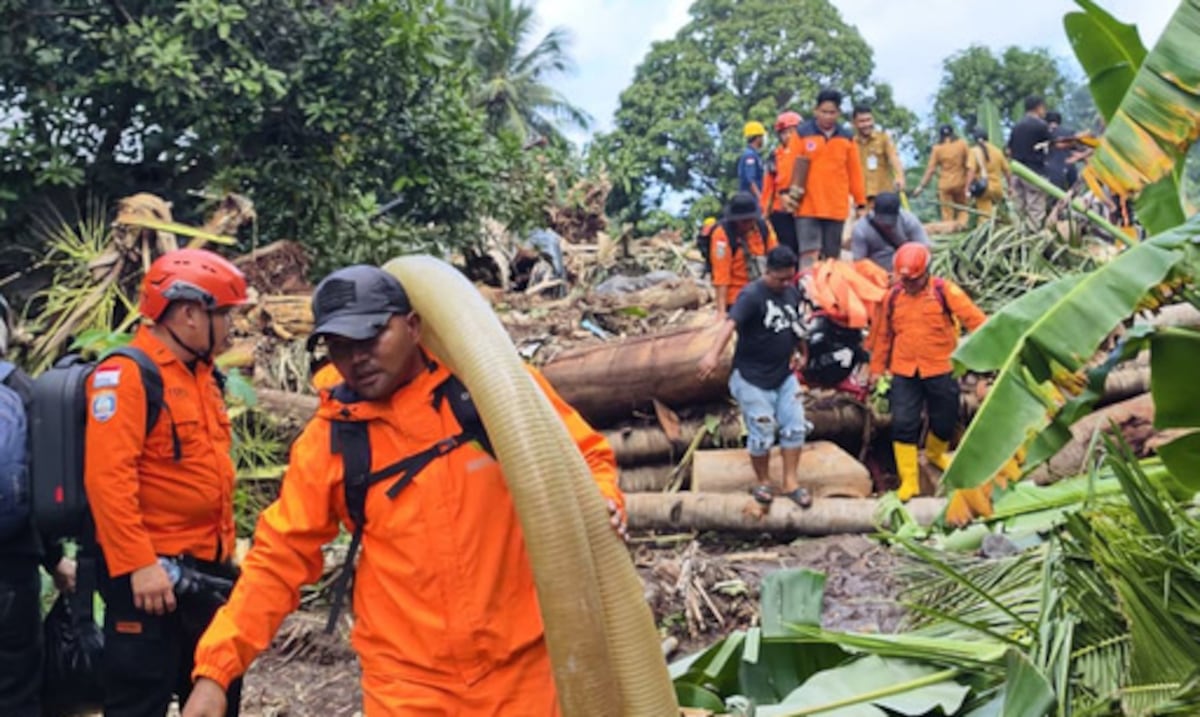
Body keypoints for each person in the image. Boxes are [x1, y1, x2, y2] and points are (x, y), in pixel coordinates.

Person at [182, 265, 625, 717]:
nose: (357, 359)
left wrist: (604, 499)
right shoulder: (331, 442)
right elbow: (278, 561)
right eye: (340, 346)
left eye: (371, 338)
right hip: (408, 686)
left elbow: (586, 457)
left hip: (525, 670)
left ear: (413, 326)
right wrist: (217, 670)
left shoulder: (490, 393)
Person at [84, 249, 249, 717]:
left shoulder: (203, 376)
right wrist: (139, 565)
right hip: (151, 581)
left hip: (208, 573)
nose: (231, 328)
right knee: (140, 701)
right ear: (190, 313)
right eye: (225, 315)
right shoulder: (127, 375)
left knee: (217, 696)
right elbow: (107, 479)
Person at [0, 293, 76, 717]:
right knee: (15, 688)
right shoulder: (21, 389)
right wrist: (56, 560)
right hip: (11, 566)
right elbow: (43, 487)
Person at [866, 243, 986, 502]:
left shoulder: (945, 291)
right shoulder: (893, 297)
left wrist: (988, 358)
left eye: (914, 279)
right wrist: (876, 369)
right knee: (903, 423)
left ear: (926, 273)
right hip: (905, 369)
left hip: (941, 366)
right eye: (904, 279)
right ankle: (908, 481)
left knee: (945, 418)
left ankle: (935, 453)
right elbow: (883, 335)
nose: (908, 284)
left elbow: (976, 321)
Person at [698, 246, 812, 510]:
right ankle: (763, 481)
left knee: (795, 426)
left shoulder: (791, 293)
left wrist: (802, 352)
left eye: (788, 279)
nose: (784, 284)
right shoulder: (751, 295)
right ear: (767, 271)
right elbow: (730, 324)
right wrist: (712, 355)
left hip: (783, 374)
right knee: (762, 429)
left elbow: (796, 326)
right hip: (751, 377)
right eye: (779, 279)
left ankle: (791, 482)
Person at [786, 89, 867, 268]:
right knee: (809, 254)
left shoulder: (846, 138)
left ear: (838, 113)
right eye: (824, 112)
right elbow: (790, 166)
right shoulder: (802, 133)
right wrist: (786, 193)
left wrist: (860, 202)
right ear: (816, 111)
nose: (828, 116)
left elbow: (855, 172)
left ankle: (830, 294)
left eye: (832, 112)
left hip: (835, 207)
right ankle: (807, 293)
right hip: (807, 205)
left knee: (832, 258)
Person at [710, 191, 778, 315]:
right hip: (737, 298)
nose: (747, 224)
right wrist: (721, 312)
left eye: (749, 220)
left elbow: (776, 257)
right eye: (743, 221)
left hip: (763, 292)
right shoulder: (722, 235)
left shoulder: (764, 228)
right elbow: (721, 276)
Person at [850, 192, 930, 272]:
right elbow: (859, 263)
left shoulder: (908, 221)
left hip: (907, 271)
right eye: (882, 220)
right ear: (874, 211)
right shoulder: (861, 229)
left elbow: (924, 250)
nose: (886, 224)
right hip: (876, 274)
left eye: (890, 221)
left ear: (898, 213)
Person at [760, 111, 803, 257]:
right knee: (787, 249)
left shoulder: (809, 153)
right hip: (781, 211)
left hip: (805, 209)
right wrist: (765, 211)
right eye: (785, 132)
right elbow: (768, 186)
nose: (789, 136)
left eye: (793, 131)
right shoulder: (775, 156)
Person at [1007, 95, 1053, 229]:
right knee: (1035, 209)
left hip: (1017, 172)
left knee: (1018, 209)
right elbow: (1054, 144)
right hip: (1034, 172)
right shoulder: (1041, 126)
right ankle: (1033, 241)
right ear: (1038, 107)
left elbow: (1009, 150)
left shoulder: (1016, 127)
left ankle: (1016, 238)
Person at [913, 124, 969, 228]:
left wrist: (921, 186)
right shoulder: (962, 144)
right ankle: (962, 227)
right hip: (960, 183)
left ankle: (949, 234)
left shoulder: (937, 149)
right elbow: (970, 164)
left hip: (945, 185)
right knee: (963, 209)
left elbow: (930, 170)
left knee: (947, 214)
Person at [852, 105, 906, 206]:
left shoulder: (883, 139)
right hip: (861, 199)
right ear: (854, 123)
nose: (866, 124)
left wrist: (900, 177)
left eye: (869, 120)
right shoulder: (851, 143)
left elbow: (894, 158)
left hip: (883, 197)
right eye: (862, 121)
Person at [964, 129, 1012, 220]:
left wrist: (967, 188)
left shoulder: (974, 151)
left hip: (984, 190)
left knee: (985, 217)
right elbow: (1007, 171)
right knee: (999, 216)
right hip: (998, 189)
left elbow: (971, 171)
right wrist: (1010, 186)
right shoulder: (997, 151)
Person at [1043, 111, 1079, 191]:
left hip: (1049, 171)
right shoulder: (1069, 132)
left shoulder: (1043, 134)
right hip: (1069, 169)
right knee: (1071, 196)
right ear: (1059, 121)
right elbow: (1078, 150)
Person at [738, 120, 767, 201]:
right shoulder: (750, 156)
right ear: (757, 138)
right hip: (751, 201)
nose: (763, 139)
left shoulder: (755, 155)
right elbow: (750, 180)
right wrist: (760, 199)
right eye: (762, 136)